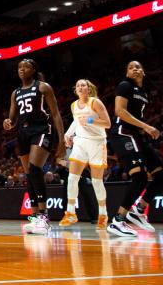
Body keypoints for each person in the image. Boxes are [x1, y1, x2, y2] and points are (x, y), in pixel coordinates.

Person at [3, 59, 65, 235]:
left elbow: (55, 113)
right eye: (19, 67)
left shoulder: (43, 87)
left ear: (34, 69)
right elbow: (12, 119)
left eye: (26, 67)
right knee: (29, 174)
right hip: (23, 133)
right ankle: (35, 215)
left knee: (35, 168)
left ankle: (44, 217)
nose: (22, 69)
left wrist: (61, 140)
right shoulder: (15, 92)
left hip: (42, 129)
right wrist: (8, 123)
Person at [107, 61, 163, 238]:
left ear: (144, 72)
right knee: (140, 177)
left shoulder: (143, 92)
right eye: (131, 67)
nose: (135, 69)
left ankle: (138, 211)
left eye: (138, 67)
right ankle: (118, 220)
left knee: (162, 176)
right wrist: (146, 126)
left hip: (136, 136)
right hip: (122, 134)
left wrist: (142, 129)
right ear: (127, 72)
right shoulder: (125, 86)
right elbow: (119, 111)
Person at [60, 79, 110, 229]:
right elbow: (76, 122)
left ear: (89, 89)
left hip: (97, 143)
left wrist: (89, 120)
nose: (81, 87)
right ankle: (70, 213)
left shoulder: (96, 103)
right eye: (78, 85)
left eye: (84, 85)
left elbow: (107, 123)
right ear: (75, 90)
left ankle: (103, 214)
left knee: (96, 181)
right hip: (80, 143)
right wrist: (68, 134)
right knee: (72, 178)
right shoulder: (74, 105)